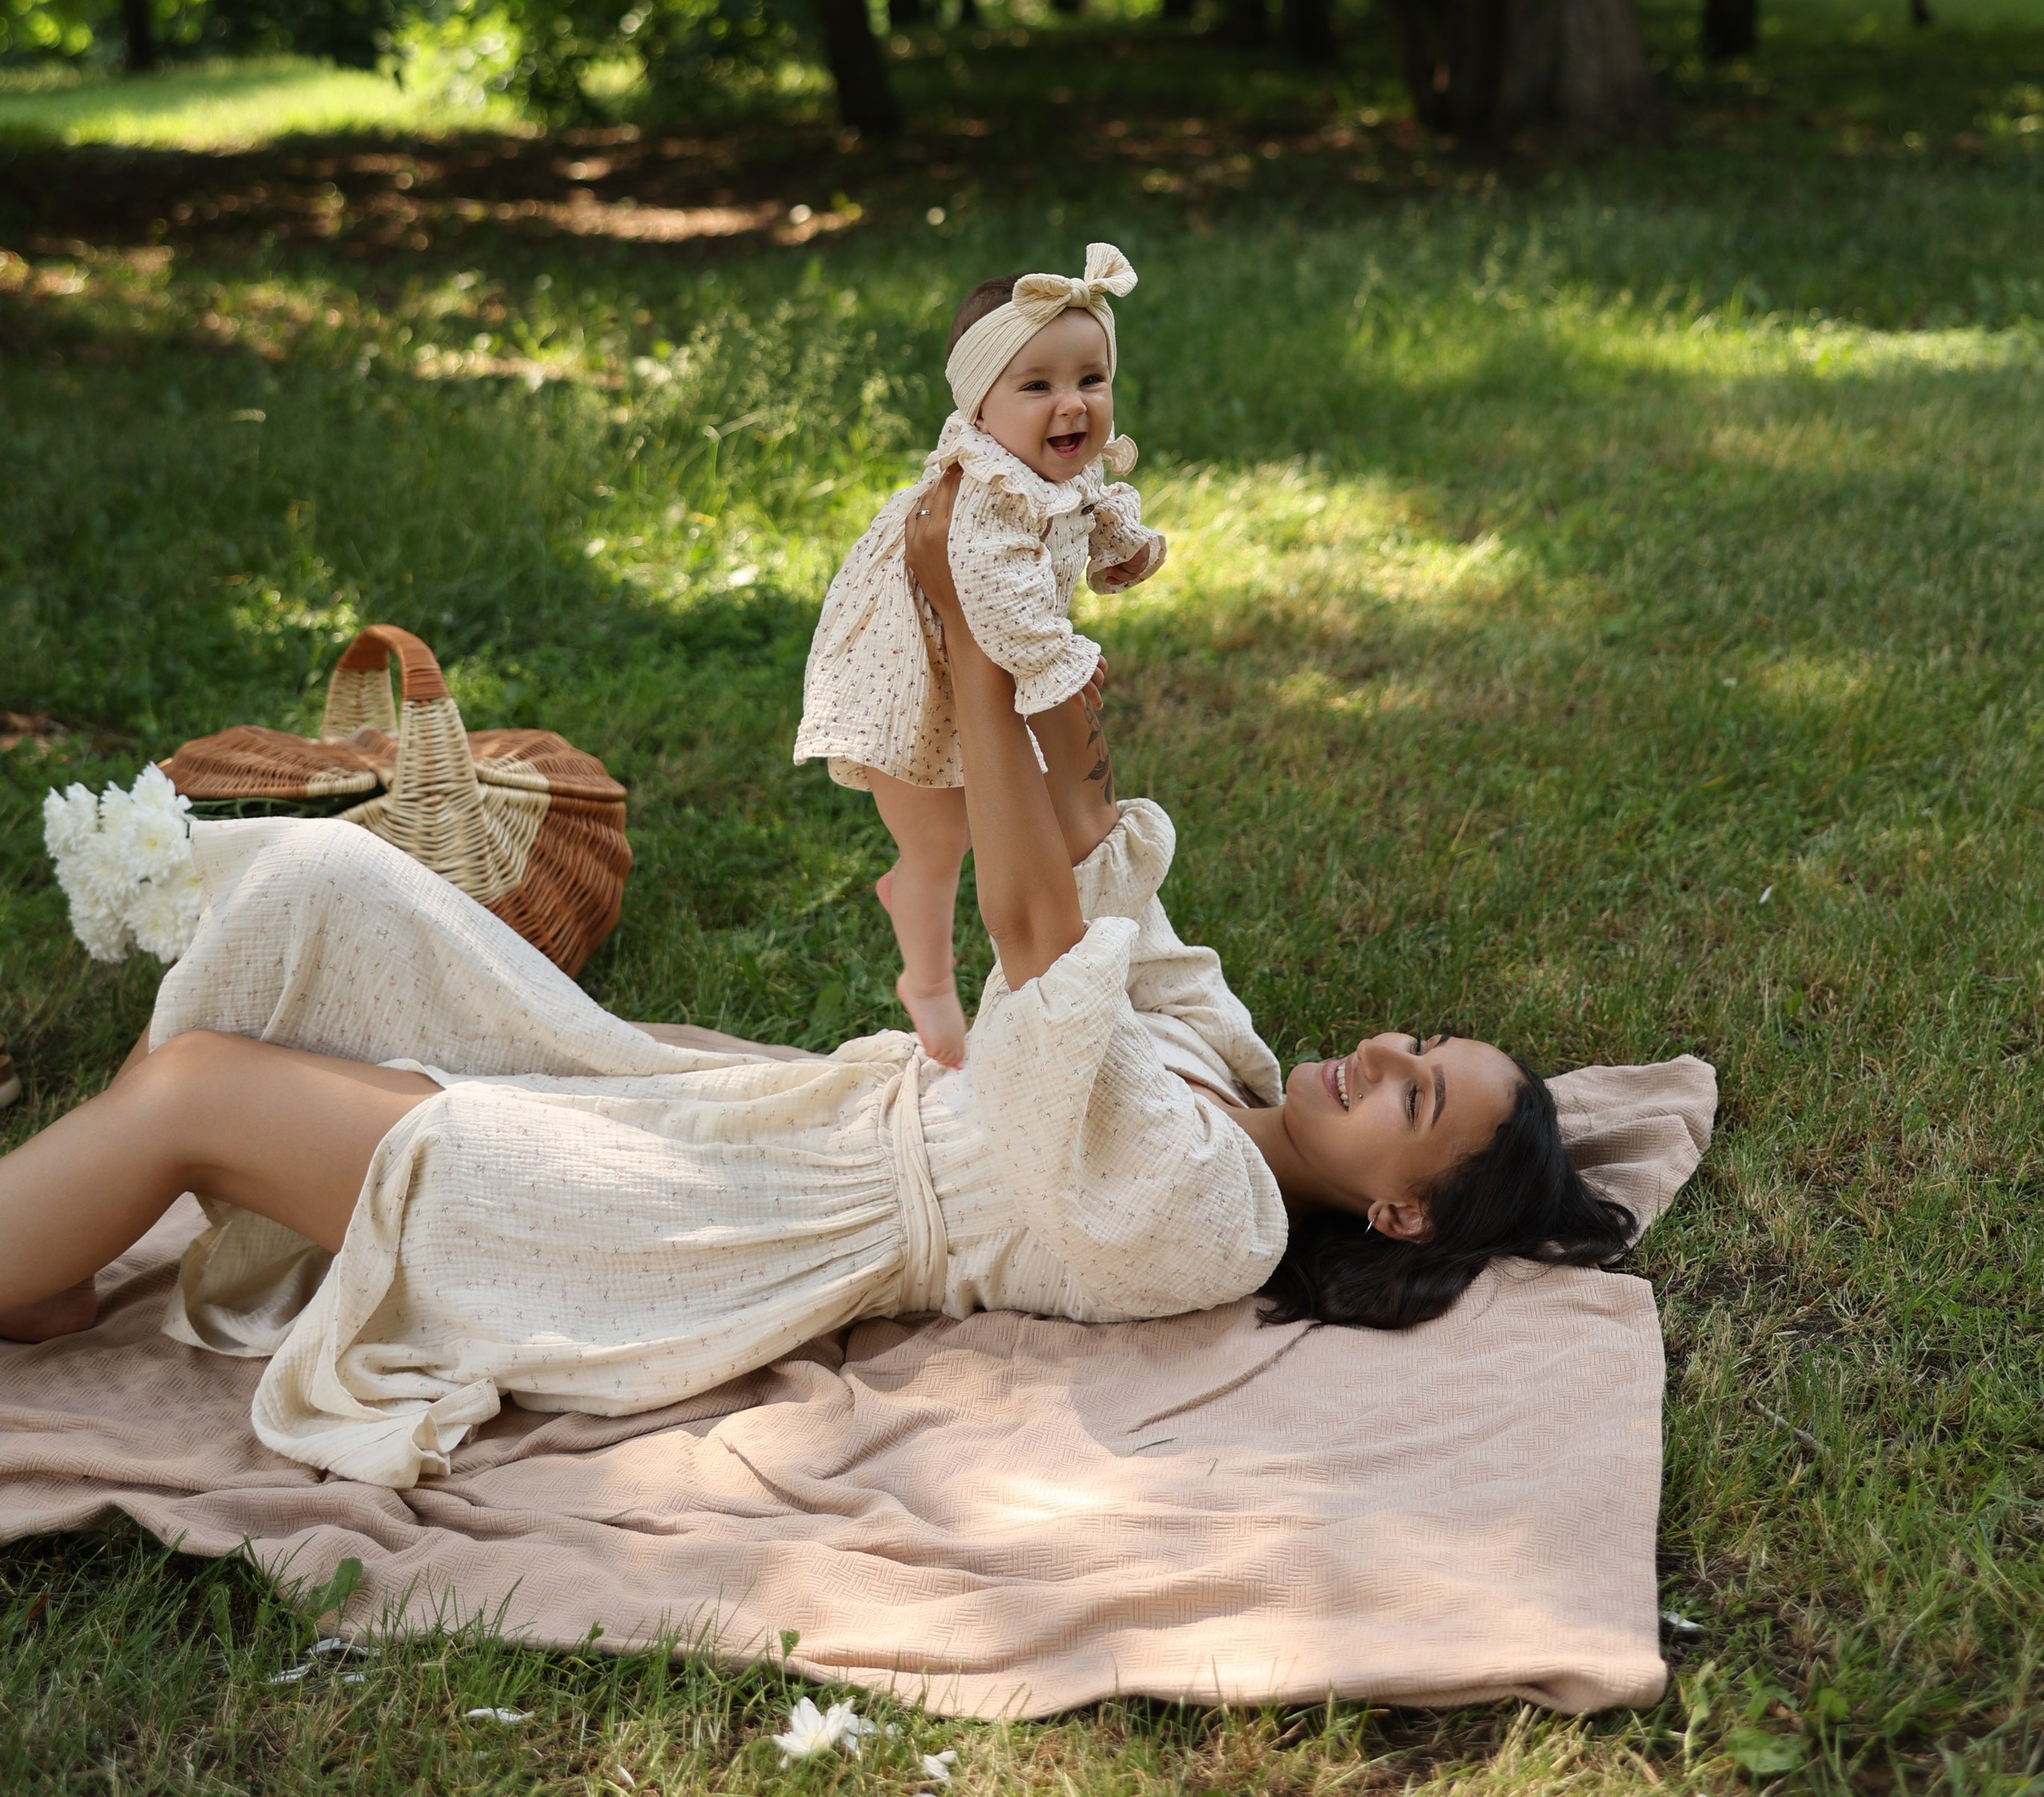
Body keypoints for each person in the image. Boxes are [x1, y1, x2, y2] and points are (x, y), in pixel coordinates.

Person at [0, 476, 1633, 1490]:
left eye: (1412, 1091)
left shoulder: (1213, 1219)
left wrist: (965, 641)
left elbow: (1037, 932)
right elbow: (1086, 837)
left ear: (1401, 1214)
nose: (1375, 1049)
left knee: (197, 1094)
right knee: (328, 880)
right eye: (1413, 1039)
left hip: (708, 1233)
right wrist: (1026, 584)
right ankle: (62, 1256)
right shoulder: (1230, 1059)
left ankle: (92, 1214)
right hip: (719, 1127)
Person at [794, 242, 1166, 1065]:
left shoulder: (1046, 467)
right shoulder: (983, 495)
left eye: (1089, 380)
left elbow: (1092, 506)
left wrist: (1125, 548)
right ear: (980, 407)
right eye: (1037, 386)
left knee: (997, 813)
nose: (1070, 406)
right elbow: (993, 596)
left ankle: (1031, 957)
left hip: (979, 665)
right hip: (906, 676)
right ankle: (926, 983)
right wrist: (1053, 659)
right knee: (935, 838)